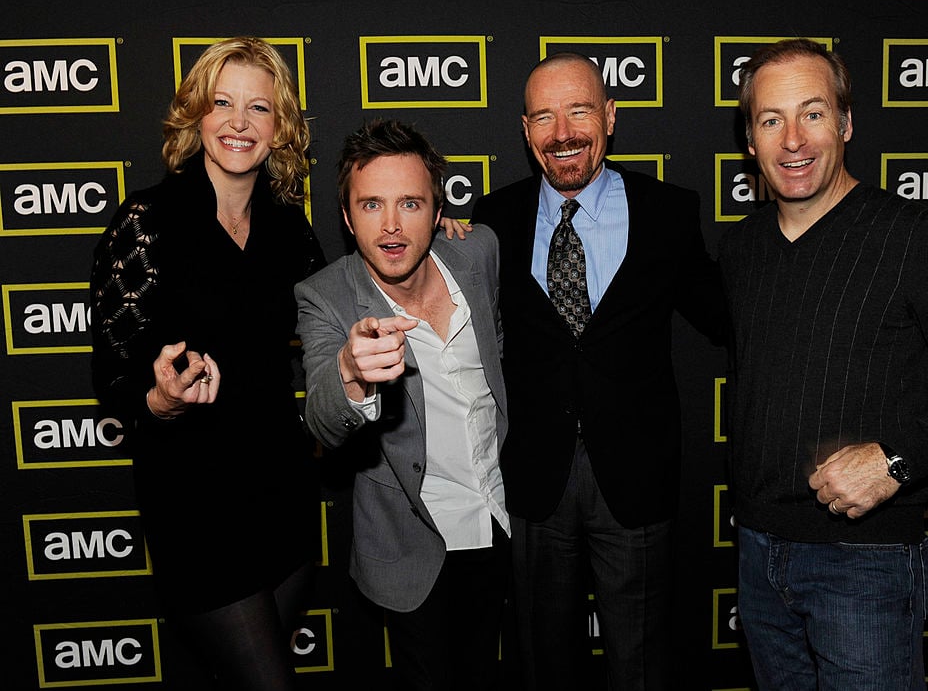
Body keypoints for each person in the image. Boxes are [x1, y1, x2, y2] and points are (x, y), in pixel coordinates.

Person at [719, 37, 928, 690]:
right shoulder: (741, 248)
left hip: (865, 562)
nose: (793, 139)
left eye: (813, 114)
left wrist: (894, 461)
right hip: (758, 554)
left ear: (846, 123)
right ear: (750, 140)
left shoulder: (911, 235)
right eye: (771, 120)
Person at [446, 52, 726, 690]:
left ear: (610, 116)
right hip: (532, 478)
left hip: (636, 479)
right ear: (526, 131)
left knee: (641, 665)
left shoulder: (667, 212)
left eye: (579, 111)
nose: (564, 132)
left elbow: (725, 317)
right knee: (544, 662)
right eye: (545, 117)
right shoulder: (491, 222)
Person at [89, 36, 326, 690]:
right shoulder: (146, 222)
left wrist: (439, 237)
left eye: (259, 107)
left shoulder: (291, 231)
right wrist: (159, 400)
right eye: (222, 103)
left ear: (280, 127)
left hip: (281, 493)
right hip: (193, 503)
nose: (238, 122)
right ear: (196, 113)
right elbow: (111, 374)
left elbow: (343, 312)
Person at [294, 119, 509, 691]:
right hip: (413, 544)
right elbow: (321, 417)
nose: (391, 225)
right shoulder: (325, 297)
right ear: (347, 217)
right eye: (371, 205)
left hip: (501, 521)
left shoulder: (479, 251)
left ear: (438, 211)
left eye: (410, 203)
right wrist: (350, 372)